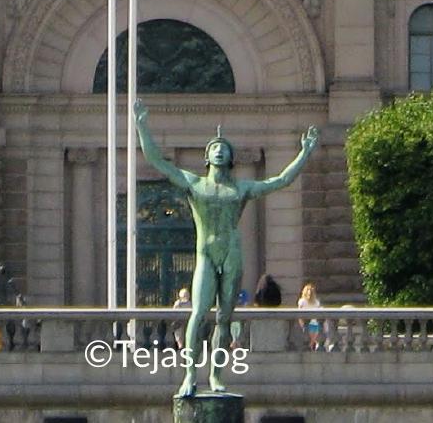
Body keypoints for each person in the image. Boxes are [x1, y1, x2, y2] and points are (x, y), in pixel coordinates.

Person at [134, 101, 317, 397]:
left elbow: (280, 181)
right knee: (198, 313)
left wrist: (304, 154)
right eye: (214, 148)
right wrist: (142, 126)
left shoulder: (241, 189)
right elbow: (157, 161)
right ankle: (190, 375)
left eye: (224, 148)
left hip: (232, 255)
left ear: (231, 157)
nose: (219, 151)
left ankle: (216, 375)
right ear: (206, 157)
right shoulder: (194, 184)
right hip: (206, 254)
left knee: (224, 319)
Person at [297, 281, 325, 350]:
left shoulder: (304, 301)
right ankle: (312, 348)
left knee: (310, 339)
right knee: (312, 340)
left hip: (310, 323)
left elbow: (299, 313)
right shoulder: (314, 302)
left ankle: (311, 348)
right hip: (312, 323)